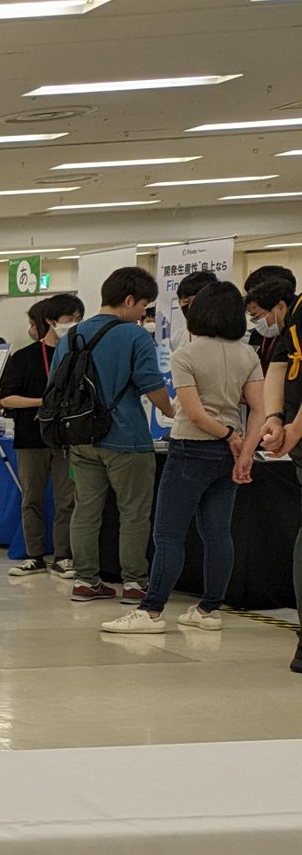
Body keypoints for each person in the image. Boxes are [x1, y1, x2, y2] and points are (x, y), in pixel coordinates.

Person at [103, 281, 267, 637]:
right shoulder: (248, 355)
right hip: (228, 455)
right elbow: (259, 409)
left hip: (191, 448)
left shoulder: (186, 355)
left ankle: (151, 611)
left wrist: (228, 435)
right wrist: (244, 449)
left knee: (168, 535)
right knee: (218, 533)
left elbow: (192, 413)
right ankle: (209, 609)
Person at [56, 267, 176, 604]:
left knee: (86, 510)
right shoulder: (135, 336)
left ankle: (85, 580)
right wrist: (172, 412)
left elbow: (56, 385)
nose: (144, 315)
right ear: (129, 299)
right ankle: (135, 583)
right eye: (144, 307)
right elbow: (152, 385)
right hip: (127, 439)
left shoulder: (71, 335)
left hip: (81, 438)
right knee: (134, 512)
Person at [0, 293, 85, 578]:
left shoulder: (77, 357)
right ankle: (34, 555)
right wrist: (43, 402)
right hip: (30, 438)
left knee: (66, 500)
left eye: (78, 319)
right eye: (70, 318)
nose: (74, 323)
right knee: (32, 498)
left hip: (66, 438)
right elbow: (6, 398)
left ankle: (63, 556)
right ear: (51, 320)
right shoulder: (24, 357)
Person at [245, 267, 302, 671]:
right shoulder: (291, 323)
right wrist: (275, 418)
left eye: (259, 315)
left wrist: (291, 427)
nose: (258, 324)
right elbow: (278, 368)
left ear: (279, 305)